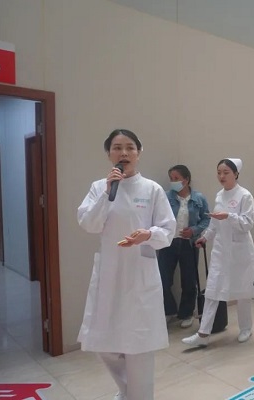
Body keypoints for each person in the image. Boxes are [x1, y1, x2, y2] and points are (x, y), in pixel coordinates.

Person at [77, 129, 176, 400]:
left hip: (139, 275)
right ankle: (128, 390)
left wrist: (148, 234)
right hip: (109, 274)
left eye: (130, 147)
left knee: (139, 346)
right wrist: (106, 193)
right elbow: (89, 223)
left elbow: (168, 230)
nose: (124, 153)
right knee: (103, 342)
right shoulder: (100, 187)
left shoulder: (152, 189)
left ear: (139, 153)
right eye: (117, 147)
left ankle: (139, 395)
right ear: (108, 153)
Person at [182, 158, 254, 347]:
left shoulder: (245, 195)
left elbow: (247, 223)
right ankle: (203, 334)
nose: (221, 176)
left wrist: (229, 216)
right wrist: (205, 237)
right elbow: (214, 223)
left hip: (240, 252)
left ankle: (246, 328)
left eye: (226, 172)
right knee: (212, 290)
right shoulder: (219, 196)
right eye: (219, 172)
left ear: (236, 174)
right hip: (221, 251)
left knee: (242, 292)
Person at [158, 165, 210, 328]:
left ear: (186, 180)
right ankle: (169, 310)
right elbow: (158, 217)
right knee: (163, 279)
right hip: (168, 243)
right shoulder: (165, 197)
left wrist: (194, 230)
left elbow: (207, 219)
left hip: (189, 243)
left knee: (189, 280)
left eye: (176, 178)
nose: (172, 181)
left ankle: (187, 313)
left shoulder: (198, 198)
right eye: (171, 178)